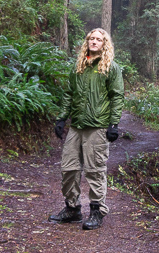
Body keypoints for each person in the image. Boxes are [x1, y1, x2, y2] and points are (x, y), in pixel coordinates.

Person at [49, 28, 124, 230]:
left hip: (97, 126)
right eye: (91, 38)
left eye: (98, 39)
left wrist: (114, 124)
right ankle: (72, 209)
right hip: (77, 125)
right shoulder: (79, 66)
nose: (94, 41)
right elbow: (69, 93)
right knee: (69, 168)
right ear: (87, 42)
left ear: (104, 44)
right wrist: (61, 118)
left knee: (95, 170)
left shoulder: (111, 68)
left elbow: (117, 96)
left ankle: (96, 211)